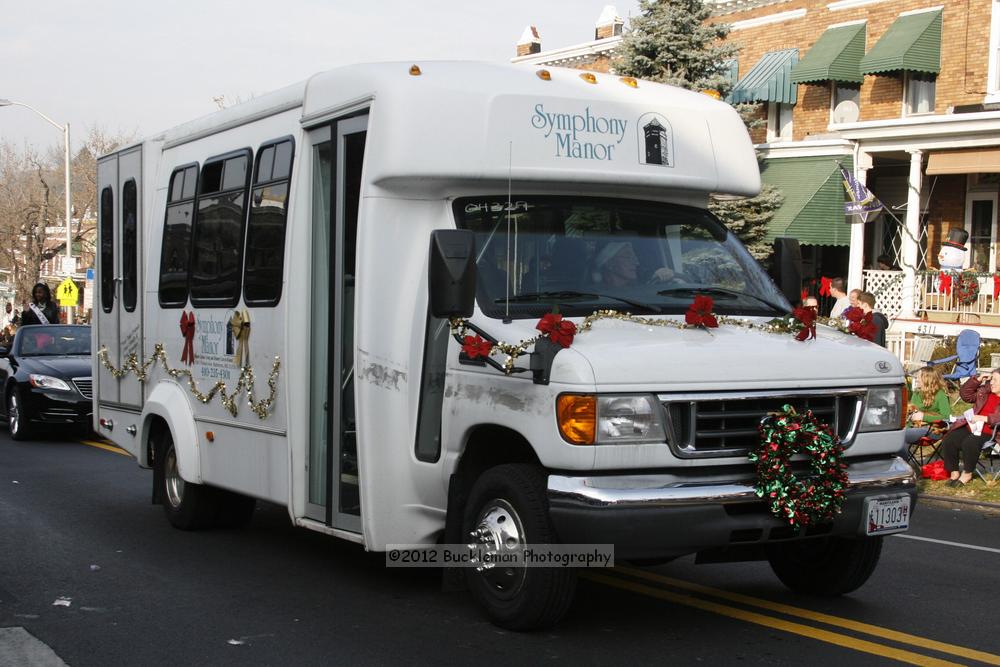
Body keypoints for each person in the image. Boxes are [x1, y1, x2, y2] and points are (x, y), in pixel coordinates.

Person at [938, 369, 1000, 486]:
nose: (991, 383)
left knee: (970, 443)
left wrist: (983, 418)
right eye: (992, 379)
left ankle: (967, 473)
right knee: (949, 439)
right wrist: (978, 379)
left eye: (995, 380)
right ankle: (954, 472)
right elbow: (965, 395)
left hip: (990, 432)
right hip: (972, 426)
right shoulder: (985, 392)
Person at [592, 241, 676, 287]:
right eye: (627, 257)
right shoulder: (596, 295)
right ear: (609, 264)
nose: (636, 262)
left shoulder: (643, 284)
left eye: (634, 258)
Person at [905, 366, 952, 446]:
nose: (916, 379)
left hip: (934, 430)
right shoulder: (916, 394)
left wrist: (924, 417)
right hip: (915, 427)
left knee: (902, 436)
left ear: (927, 379)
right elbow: (911, 415)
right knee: (897, 435)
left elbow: (947, 417)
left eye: (919, 377)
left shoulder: (940, 394)